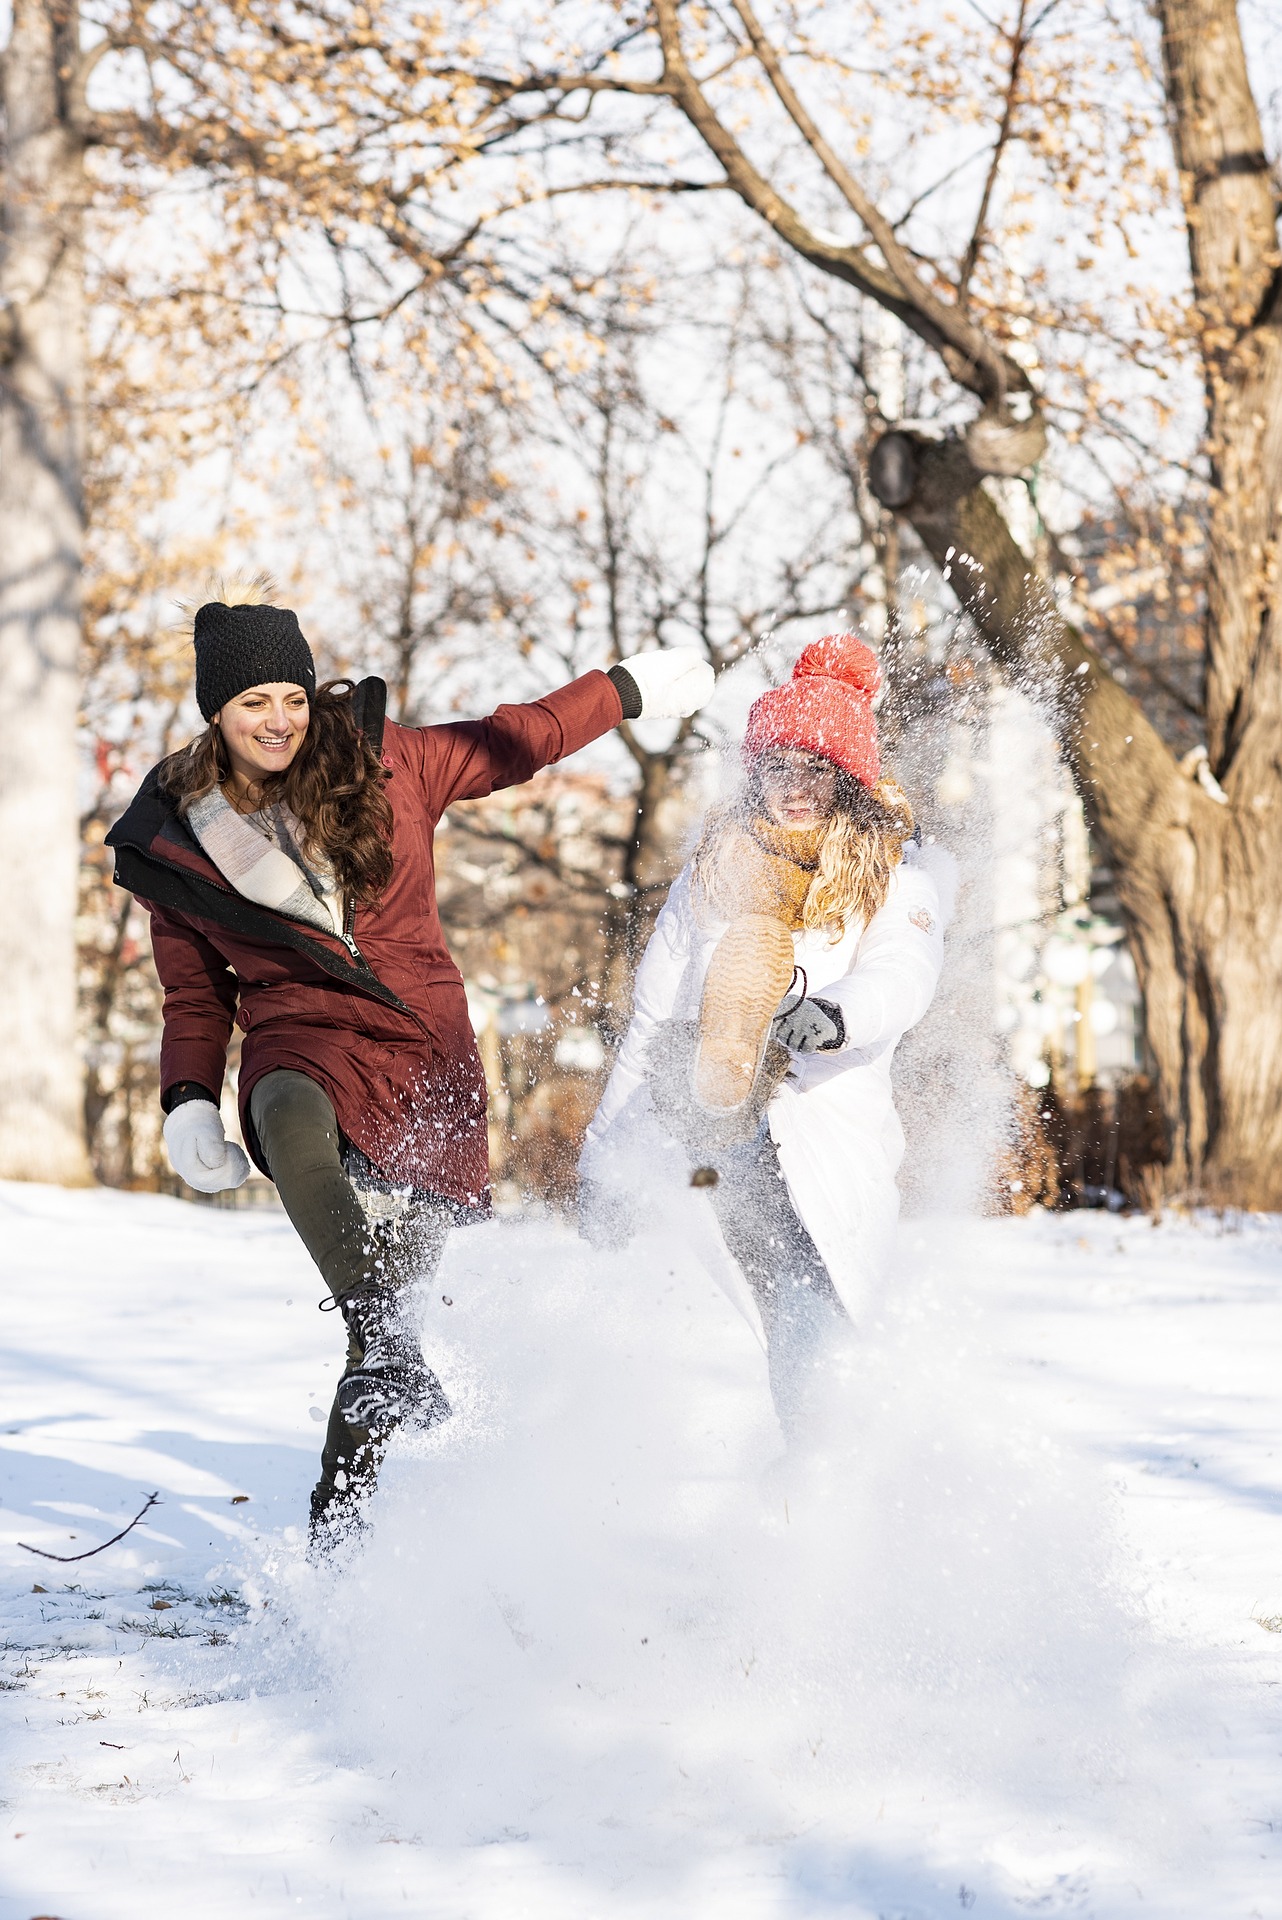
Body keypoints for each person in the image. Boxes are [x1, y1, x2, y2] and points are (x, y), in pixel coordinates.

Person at [106, 575, 714, 1544]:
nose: (277, 721)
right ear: (214, 714)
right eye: (251, 703)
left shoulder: (392, 765)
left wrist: (625, 689)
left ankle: (338, 1531)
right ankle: (381, 1340)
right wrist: (187, 1097)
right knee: (286, 1113)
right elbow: (194, 994)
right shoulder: (177, 838)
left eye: (292, 699)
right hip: (296, 1032)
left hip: (422, 1050)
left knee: (388, 1315)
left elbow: (518, 738)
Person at [579, 632, 951, 1440]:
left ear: (850, 778)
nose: (795, 786)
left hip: (823, 1129)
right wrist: (605, 1159)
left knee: (809, 1304)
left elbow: (905, 972)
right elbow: (647, 1019)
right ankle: (727, 1058)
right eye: (778, 765)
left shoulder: (894, 875)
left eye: (817, 767)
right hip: (716, 1145)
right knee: (741, 1318)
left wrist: (837, 1014)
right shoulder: (714, 868)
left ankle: (827, 1483)